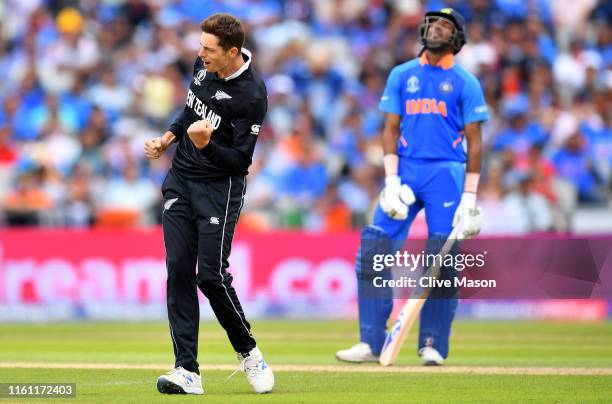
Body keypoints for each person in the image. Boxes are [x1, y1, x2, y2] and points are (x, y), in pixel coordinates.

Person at [336, 8, 488, 366]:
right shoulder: (402, 74)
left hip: (446, 174)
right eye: (433, 23)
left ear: (457, 38)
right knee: (373, 248)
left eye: (446, 25)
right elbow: (389, 128)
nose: (437, 28)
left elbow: (476, 141)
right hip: (405, 170)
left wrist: (470, 196)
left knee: (442, 258)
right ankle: (370, 342)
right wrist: (390, 181)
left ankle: (432, 343)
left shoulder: (466, 82)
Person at [144, 13, 273, 394]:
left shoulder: (252, 95)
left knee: (210, 276)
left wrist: (206, 146)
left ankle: (249, 353)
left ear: (232, 52)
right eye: (200, 46)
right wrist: (167, 139)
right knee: (179, 269)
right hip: (181, 182)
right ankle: (187, 370)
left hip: (220, 189)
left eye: (209, 49)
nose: (200, 54)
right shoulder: (202, 71)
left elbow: (240, 161)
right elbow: (189, 112)